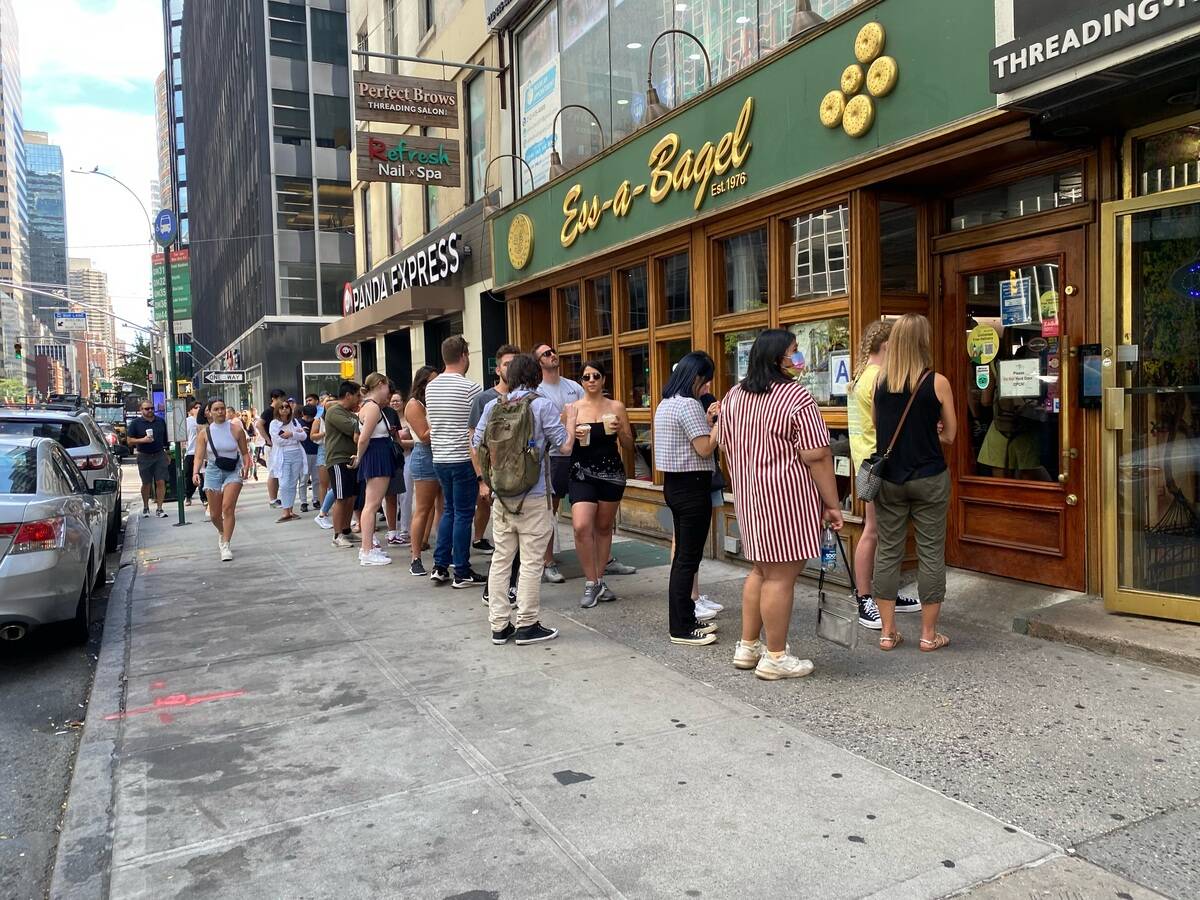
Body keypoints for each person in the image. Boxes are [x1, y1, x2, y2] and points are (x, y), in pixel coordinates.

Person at [723, 329, 845, 681]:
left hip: (750, 497)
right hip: (787, 498)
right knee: (780, 577)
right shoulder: (796, 397)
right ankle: (775, 656)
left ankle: (748, 646)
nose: (799, 356)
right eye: (795, 350)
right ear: (779, 358)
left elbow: (725, 445)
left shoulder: (733, 396)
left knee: (761, 571)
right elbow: (817, 455)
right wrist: (832, 503)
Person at [474, 353, 577, 645]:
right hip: (533, 495)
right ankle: (527, 624)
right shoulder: (541, 405)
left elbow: (476, 443)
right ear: (536, 377)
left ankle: (498, 626)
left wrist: (489, 480)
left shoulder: (493, 406)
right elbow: (565, 447)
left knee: (501, 559)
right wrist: (571, 421)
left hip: (502, 497)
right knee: (531, 562)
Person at [872, 313, 957, 653]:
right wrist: (931, 429)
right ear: (924, 341)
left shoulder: (880, 382)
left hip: (890, 479)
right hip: (929, 476)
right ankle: (928, 634)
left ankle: (887, 632)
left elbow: (879, 427)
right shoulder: (937, 383)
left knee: (888, 551)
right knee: (931, 553)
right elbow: (950, 435)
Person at [847, 320, 924, 630]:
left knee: (880, 531)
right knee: (875, 531)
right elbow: (887, 423)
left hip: (866, 463)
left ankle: (882, 594)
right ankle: (866, 597)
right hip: (879, 464)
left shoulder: (860, 376)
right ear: (888, 346)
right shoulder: (879, 377)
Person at [653, 351, 722, 647]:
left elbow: (687, 439)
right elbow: (704, 449)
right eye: (706, 381)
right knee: (687, 560)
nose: (707, 387)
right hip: (692, 487)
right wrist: (719, 423)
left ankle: (687, 618)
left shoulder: (666, 403)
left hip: (674, 485)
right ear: (696, 378)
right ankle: (681, 627)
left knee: (683, 557)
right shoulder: (689, 404)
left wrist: (707, 422)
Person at [568, 359, 633, 609]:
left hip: (611, 473)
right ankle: (590, 582)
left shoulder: (616, 406)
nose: (592, 380)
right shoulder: (572, 409)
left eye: (596, 376)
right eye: (587, 377)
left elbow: (628, 444)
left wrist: (620, 429)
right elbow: (563, 445)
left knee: (604, 528)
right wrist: (574, 434)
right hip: (581, 473)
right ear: (581, 382)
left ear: (604, 379)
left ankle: (600, 580)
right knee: (581, 526)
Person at [426, 335, 488, 588]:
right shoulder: (471, 388)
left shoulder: (431, 387)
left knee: (449, 511)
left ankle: (441, 565)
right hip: (463, 457)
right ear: (463, 356)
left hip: (440, 457)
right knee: (463, 513)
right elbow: (477, 428)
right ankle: (461, 570)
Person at [533, 343, 583, 583]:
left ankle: (603, 558)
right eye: (546, 353)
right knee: (549, 511)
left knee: (587, 505)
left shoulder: (573, 386)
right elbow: (548, 424)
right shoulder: (538, 391)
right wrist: (567, 418)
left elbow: (584, 412)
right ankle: (548, 562)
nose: (552, 355)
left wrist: (570, 420)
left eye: (552, 351)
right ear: (538, 362)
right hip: (553, 456)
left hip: (579, 453)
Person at [469, 344, 521, 554]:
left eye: (515, 364)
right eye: (507, 364)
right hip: (493, 471)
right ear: (498, 369)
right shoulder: (484, 399)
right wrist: (481, 480)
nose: (512, 368)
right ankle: (480, 540)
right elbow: (473, 442)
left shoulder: (530, 397)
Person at [192, 398, 250, 561]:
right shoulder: (204, 433)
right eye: (216, 409)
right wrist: (195, 472)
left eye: (222, 408)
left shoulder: (236, 429)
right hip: (213, 470)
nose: (220, 412)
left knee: (228, 508)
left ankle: (225, 544)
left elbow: (245, 453)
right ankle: (222, 531)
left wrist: (246, 466)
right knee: (214, 514)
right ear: (209, 412)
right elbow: (198, 456)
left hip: (233, 470)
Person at [351, 372, 396, 567]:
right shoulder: (372, 407)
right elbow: (363, 438)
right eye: (387, 386)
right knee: (372, 504)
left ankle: (367, 548)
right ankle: (367, 550)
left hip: (376, 454)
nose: (388, 391)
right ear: (380, 384)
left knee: (371, 504)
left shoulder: (369, 406)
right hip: (376, 455)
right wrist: (359, 457)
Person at [405, 366, 443, 576]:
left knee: (444, 508)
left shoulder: (435, 401)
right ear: (422, 384)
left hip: (443, 453)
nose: (436, 385)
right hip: (425, 455)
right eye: (432, 381)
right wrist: (447, 422)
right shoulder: (414, 404)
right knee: (423, 508)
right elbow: (424, 435)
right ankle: (415, 557)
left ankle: (443, 554)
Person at [323, 380, 362, 549]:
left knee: (351, 497)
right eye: (357, 395)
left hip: (351, 459)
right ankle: (337, 535)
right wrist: (363, 418)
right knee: (341, 497)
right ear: (348, 395)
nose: (359, 399)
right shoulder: (334, 411)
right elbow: (355, 428)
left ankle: (346, 530)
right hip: (338, 460)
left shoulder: (351, 413)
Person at [127, 400, 170, 518]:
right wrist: (143, 440)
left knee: (160, 481)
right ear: (141, 410)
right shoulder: (136, 423)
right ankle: (146, 507)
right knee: (146, 483)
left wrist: (167, 452)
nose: (150, 410)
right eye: (147, 408)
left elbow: (165, 439)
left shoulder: (160, 421)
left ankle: (159, 508)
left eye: (152, 408)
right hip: (144, 455)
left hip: (159, 454)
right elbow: (129, 441)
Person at [269, 401, 308, 522]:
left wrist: (291, 434)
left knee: (293, 483)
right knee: (284, 483)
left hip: (297, 454)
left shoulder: (294, 421)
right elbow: (278, 441)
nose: (285, 409)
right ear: (277, 410)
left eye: (287, 407)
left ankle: (290, 510)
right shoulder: (274, 424)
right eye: (282, 407)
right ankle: (285, 511)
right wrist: (296, 437)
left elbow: (304, 436)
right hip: (283, 455)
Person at [383, 391, 410, 546]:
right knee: (378, 498)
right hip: (380, 458)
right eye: (391, 400)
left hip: (399, 458)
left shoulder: (395, 415)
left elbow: (398, 439)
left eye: (397, 400)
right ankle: (384, 533)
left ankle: (398, 531)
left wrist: (400, 445)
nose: (394, 403)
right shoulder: (372, 411)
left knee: (399, 495)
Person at [258, 389, 286, 507]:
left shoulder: (278, 410)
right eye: (281, 399)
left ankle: (276, 498)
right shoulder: (268, 411)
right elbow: (259, 424)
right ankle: (273, 500)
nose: (282, 401)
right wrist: (268, 440)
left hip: (278, 445)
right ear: (274, 398)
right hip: (271, 446)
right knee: (273, 473)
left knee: (278, 472)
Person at [298, 404, 320, 512]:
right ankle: (303, 502)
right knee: (303, 479)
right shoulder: (298, 423)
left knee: (316, 479)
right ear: (303, 414)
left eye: (311, 417)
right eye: (307, 417)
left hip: (316, 452)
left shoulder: (317, 422)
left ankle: (316, 500)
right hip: (303, 453)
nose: (309, 419)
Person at [183, 400, 203, 506]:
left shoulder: (204, 420)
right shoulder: (187, 421)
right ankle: (188, 495)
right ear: (191, 410)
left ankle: (204, 498)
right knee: (189, 475)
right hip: (191, 452)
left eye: (200, 407)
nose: (198, 409)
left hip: (203, 453)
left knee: (202, 475)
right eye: (196, 407)